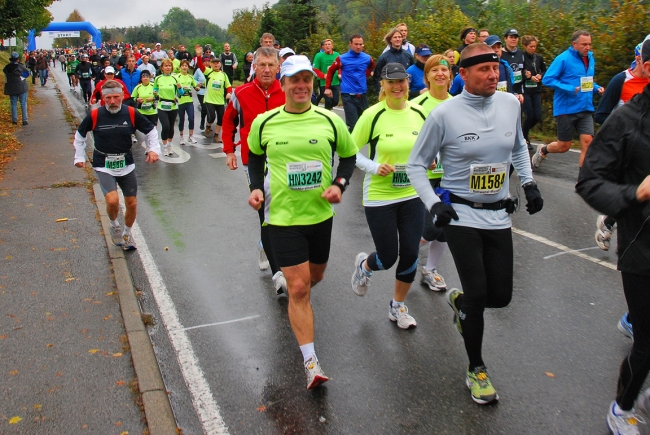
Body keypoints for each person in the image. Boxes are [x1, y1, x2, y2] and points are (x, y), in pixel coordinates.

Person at [406, 43, 543, 405]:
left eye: (495, 69)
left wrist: (527, 183)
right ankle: (477, 368)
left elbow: (517, 147)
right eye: (483, 70)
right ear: (462, 75)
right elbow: (416, 165)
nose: (493, 75)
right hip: (460, 214)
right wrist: (434, 204)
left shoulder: (510, 104)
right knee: (481, 296)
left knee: (501, 296)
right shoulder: (444, 115)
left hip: (498, 213)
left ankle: (460, 303)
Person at [246, 55, 358, 389]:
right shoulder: (265, 123)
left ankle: (299, 303)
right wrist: (254, 188)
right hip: (282, 217)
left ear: (313, 83)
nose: (301, 86)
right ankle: (311, 362)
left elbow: (349, 156)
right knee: (297, 286)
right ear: (283, 84)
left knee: (313, 278)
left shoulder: (329, 120)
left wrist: (339, 185)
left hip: (320, 216)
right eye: (295, 80)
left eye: (307, 80)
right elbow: (254, 156)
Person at [575, 34, 650, 435]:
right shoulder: (627, 121)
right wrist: (634, 193)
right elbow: (589, 182)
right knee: (648, 343)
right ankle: (622, 408)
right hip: (644, 248)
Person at [350, 63, 428, 329]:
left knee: (410, 253)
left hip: (412, 193)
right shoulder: (372, 115)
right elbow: (352, 152)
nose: (397, 87)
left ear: (408, 83)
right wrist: (375, 167)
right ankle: (365, 266)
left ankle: (398, 306)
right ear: (382, 85)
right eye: (391, 82)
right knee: (387, 256)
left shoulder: (419, 112)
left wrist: (431, 160)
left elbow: (432, 147)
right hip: (380, 196)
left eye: (401, 81)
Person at [222, 47, 286, 294]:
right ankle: (278, 272)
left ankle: (266, 243)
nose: (267, 69)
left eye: (271, 65)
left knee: (284, 207)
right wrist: (229, 150)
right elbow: (229, 121)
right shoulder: (241, 93)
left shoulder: (287, 91)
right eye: (262, 65)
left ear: (278, 67)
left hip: (284, 160)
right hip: (253, 160)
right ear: (254, 67)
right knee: (265, 208)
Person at [73, 80, 161, 251]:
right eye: (108, 98)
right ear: (102, 98)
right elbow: (80, 135)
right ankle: (114, 226)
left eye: (116, 97)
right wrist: (79, 157)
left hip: (126, 163)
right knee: (112, 200)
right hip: (103, 163)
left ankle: (127, 234)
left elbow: (150, 130)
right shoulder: (95, 115)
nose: (112, 101)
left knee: (132, 203)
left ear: (122, 96)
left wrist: (153, 150)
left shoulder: (131, 113)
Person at [410, 54, 454, 291]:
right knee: (430, 228)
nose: (440, 74)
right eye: (434, 70)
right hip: (425, 177)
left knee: (446, 228)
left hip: (452, 177)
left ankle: (430, 270)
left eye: (444, 70)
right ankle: (408, 258)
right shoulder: (417, 106)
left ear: (450, 76)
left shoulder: (459, 102)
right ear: (426, 76)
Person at [533, 30, 606, 169]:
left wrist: (597, 88)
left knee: (588, 142)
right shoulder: (563, 58)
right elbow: (547, 79)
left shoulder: (590, 58)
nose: (588, 47)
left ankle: (583, 180)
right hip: (566, 108)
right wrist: (570, 88)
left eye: (589, 44)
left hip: (585, 107)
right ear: (574, 44)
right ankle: (543, 150)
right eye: (584, 44)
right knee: (563, 146)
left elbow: (586, 80)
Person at [324, 34, 375, 132]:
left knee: (365, 123)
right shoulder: (342, 58)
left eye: (361, 44)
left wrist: (365, 75)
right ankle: (348, 145)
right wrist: (327, 88)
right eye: (356, 44)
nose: (358, 47)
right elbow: (331, 71)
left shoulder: (367, 58)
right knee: (354, 125)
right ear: (350, 44)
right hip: (348, 95)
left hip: (362, 94)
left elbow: (371, 66)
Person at [521, 35, 547, 145]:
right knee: (530, 114)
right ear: (525, 46)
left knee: (537, 116)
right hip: (525, 89)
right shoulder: (521, 57)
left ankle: (523, 131)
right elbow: (518, 72)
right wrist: (527, 76)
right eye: (531, 46)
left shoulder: (539, 58)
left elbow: (545, 71)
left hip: (536, 89)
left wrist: (540, 76)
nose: (533, 48)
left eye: (534, 46)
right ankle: (524, 137)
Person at [373, 28, 414, 95]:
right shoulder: (383, 57)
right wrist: (380, 94)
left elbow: (413, 74)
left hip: (406, 92)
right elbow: (377, 78)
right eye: (395, 37)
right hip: (390, 92)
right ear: (390, 40)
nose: (397, 39)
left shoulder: (408, 55)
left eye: (399, 37)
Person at [153, 59, 180, 156]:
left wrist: (180, 88)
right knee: (165, 126)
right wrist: (155, 93)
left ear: (172, 68)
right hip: (162, 105)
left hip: (173, 106)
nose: (168, 67)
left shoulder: (175, 79)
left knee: (171, 127)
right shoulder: (158, 78)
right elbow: (155, 89)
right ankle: (164, 147)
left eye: (169, 66)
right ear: (162, 68)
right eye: (166, 66)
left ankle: (169, 145)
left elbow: (180, 94)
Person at [202, 57, 231, 143]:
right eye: (214, 63)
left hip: (220, 101)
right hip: (209, 100)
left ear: (220, 64)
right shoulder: (208, 72)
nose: (216, 64)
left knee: (221, 119)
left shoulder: (224, 75)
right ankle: (208, 125)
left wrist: (229, 93)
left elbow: (228, 86)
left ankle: (216, 135)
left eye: (217, 63)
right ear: (211, 64)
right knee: (211, 117)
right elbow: (200, 66)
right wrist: (199, 56)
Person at [175, 60, 200, 145]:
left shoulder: (190, 77)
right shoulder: (176, 77)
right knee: (181, 120)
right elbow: (173, 89)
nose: (185, 67)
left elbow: (195, 86)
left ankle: (191, 136)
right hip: (181, 102)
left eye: (186, 66)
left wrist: (198, 88)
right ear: (180, 67)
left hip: (189, 101)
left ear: (188, 68)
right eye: (183, 66)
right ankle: (181, 137)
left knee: (191, 119)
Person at [312, 39, 340, 110]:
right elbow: (315, 69)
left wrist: (340, 74)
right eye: (326, 44)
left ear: (332, 46)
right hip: (324, 82)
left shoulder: (337, 55)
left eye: (329, 44)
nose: (327, 46)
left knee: (335, 101)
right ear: (323, 47)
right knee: (328, 100)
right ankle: (326, 114)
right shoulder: (319, 56)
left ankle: (328, 108)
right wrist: (323, 75)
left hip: (335, 81)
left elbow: (340, 67)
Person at [3, 52, 29, 126]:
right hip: (21, 87)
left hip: (11, 88)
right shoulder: (21, 67)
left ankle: (14, 120)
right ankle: (25, 120)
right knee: (23, 103)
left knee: (13, 104)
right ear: (17, 59)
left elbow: (6, 77)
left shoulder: (7, 68)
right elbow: (27, 74)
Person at [500, 29, 526, 100]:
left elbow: (523, 70)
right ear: (505, 39)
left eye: (515, 37)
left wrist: (526, 73)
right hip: (505, 92)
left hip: (520, 92)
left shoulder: (521, 53)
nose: (514, 39)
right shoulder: (500, 53)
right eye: (511, 37)